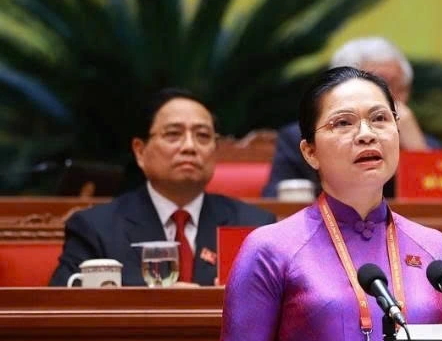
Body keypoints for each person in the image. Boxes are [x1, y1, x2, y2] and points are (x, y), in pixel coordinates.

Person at [216, 67, 442, 341]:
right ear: (310, 152)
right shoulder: (271, 248)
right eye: (343, 123)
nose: (367, 134)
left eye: (380, 118)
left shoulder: (436, 249)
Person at [49, 88, 276, 286]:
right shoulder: (96, 229)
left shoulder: (254, 226)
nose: (189, 147)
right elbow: (61, 308)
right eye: (173, 134)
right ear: (140, 151)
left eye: (203, 136)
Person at [261, 36, 442, 198]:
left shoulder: (430, 147)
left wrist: (418, 154)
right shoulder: (303, 139)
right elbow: (274, 207)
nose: (388, 98)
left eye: (398, 87)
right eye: (375, 86)